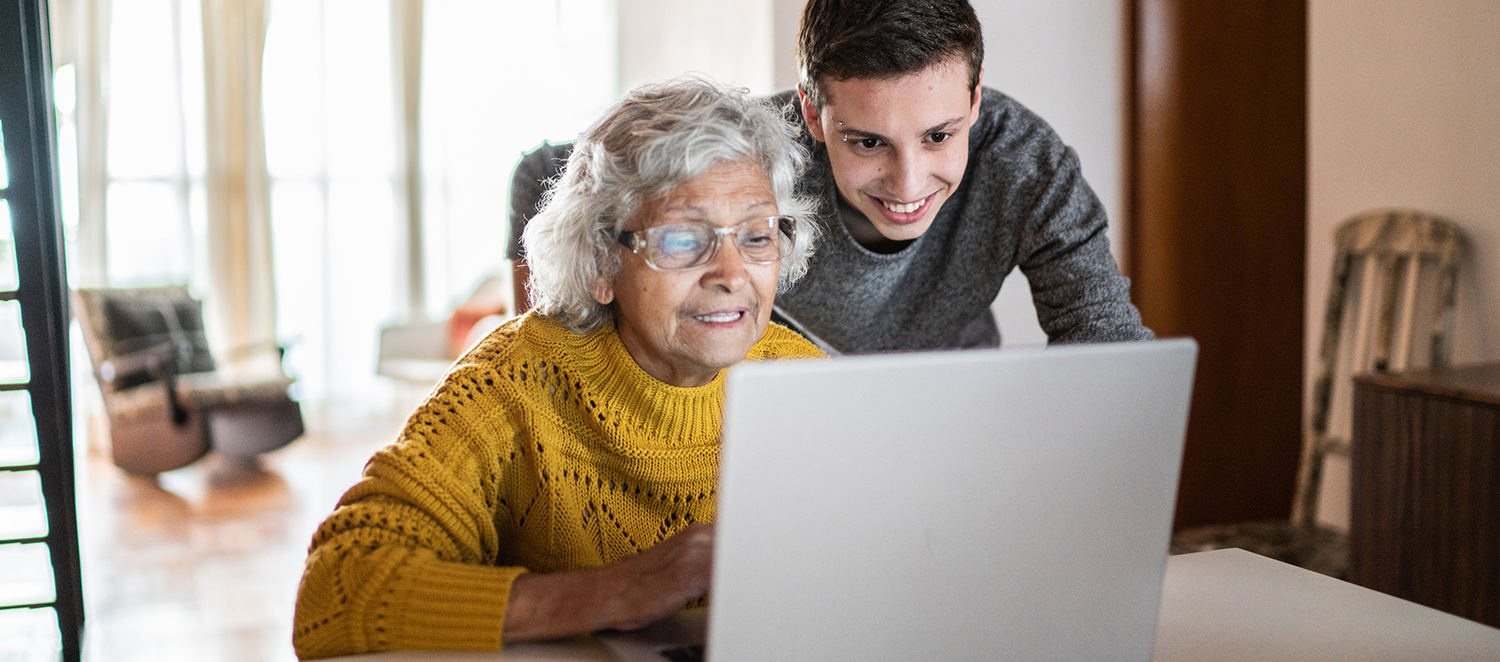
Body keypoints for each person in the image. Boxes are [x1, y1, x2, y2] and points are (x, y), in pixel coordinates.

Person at [292, 77, 824, 658]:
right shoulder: (513, 381)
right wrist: (613, 593)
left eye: (755, 235)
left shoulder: (810, 384)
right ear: (600, 264)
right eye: (681, 238)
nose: (731, 271)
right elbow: (336, 591)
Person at [508, 0, 1153, 355]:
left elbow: (1109, 352)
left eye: (939, 136)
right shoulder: (755, 150)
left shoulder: (1029, 169)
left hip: (947, 405)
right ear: (814, 113)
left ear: (975, 101)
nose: (908, 184)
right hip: (782, 409)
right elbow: (543, 172)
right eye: (868, 142)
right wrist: (546, 353)